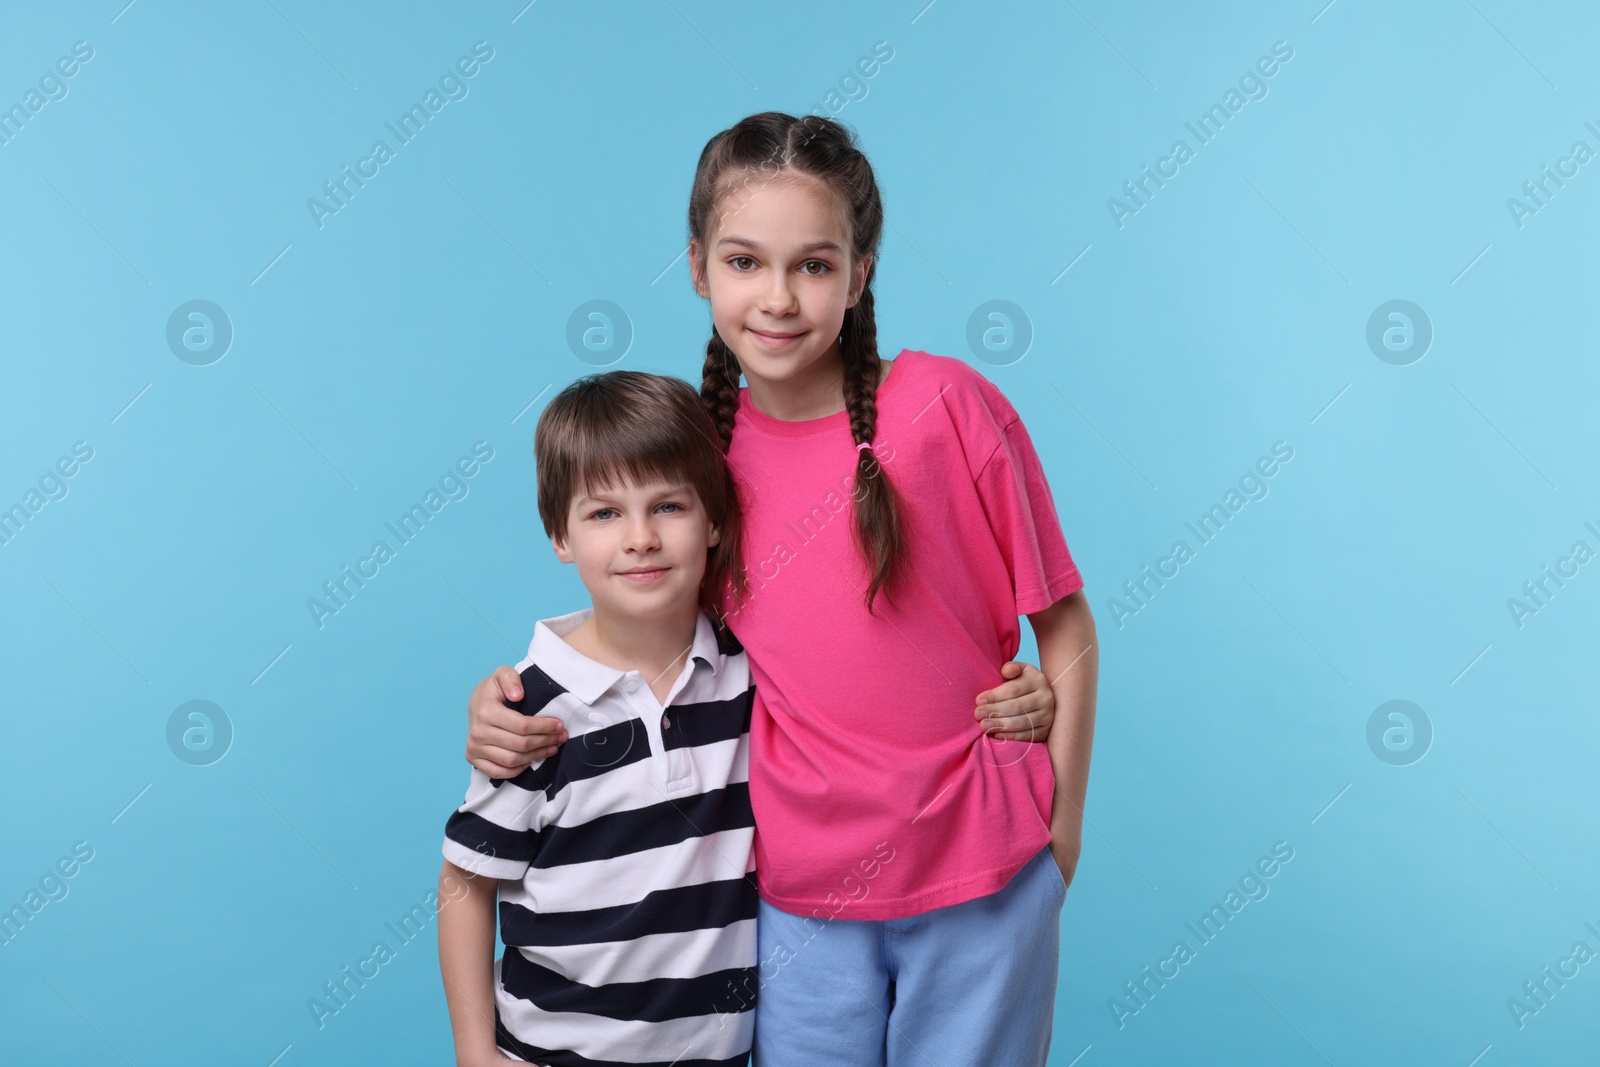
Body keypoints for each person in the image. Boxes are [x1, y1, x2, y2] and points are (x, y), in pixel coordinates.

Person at [466, 112, 1097, 1066]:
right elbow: (645, 642)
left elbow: (1066, 622)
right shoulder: (700, 461)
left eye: (813, 264)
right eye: (745, 261)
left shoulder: (947, 406)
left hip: (987, 878)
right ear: (696, 267)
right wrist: (503, 702)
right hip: (796, 899)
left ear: (861, 270)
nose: (779, 297)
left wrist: (1063, 832)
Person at [437, 371, 763, 1066]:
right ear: (560, 534)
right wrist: (473, 1051)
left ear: (713, 520)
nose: (640, 537)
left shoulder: (751, 672)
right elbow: (467, 879)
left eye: (668, 505)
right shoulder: (530, 714)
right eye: (604, 513)